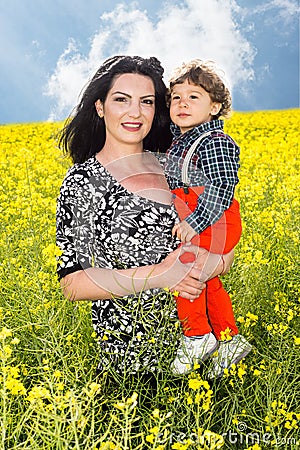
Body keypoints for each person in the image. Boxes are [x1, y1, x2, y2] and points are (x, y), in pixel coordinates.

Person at [56, 55, 234, 383]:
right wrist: (161, 276)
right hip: (131, 368)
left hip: (202, 362)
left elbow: (225, 238)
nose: (135, 112)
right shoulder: (83, 181)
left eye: (147, 102)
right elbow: (73, 283)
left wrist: (211, 264)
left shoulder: (176, 165)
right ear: (100, 107)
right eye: (121, 100)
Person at [164, 59, 252, 378]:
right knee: (207, 280)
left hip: (216, 218)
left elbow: (221, 188)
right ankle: (229, 340)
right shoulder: (178, 141)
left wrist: (194, 221)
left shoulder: (215, 142)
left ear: (214, 107)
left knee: (186, 272)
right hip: (197, 216)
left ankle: (197, 336)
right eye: (176, 97)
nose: (182, 102)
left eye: (194, 97)